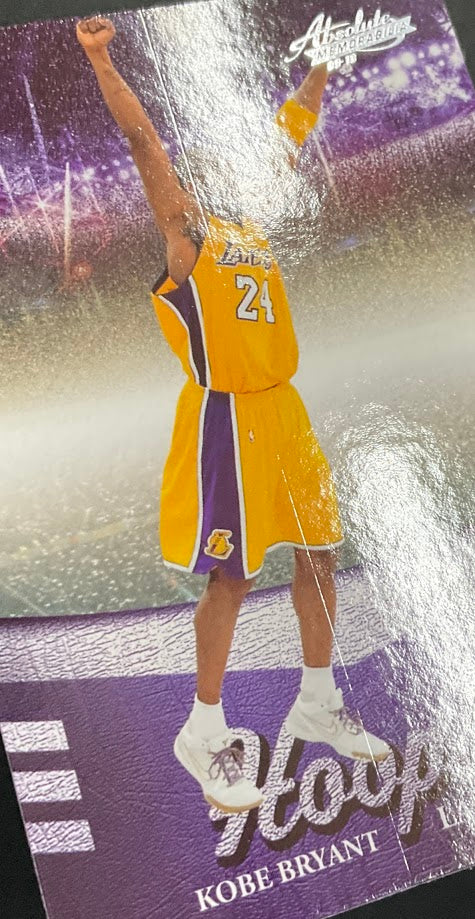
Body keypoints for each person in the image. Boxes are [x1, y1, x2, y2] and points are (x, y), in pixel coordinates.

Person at [77, 16, 389, 815]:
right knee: (234, 574)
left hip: (284, 408)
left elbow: (293, 128)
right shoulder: (186, 234)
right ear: (190, 178)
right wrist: (101, 58)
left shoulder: (251, 223)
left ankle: (316, 702)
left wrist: (320, 67)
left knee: (319, 552)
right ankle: (203, 729)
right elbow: (143, 141)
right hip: (227, 417)